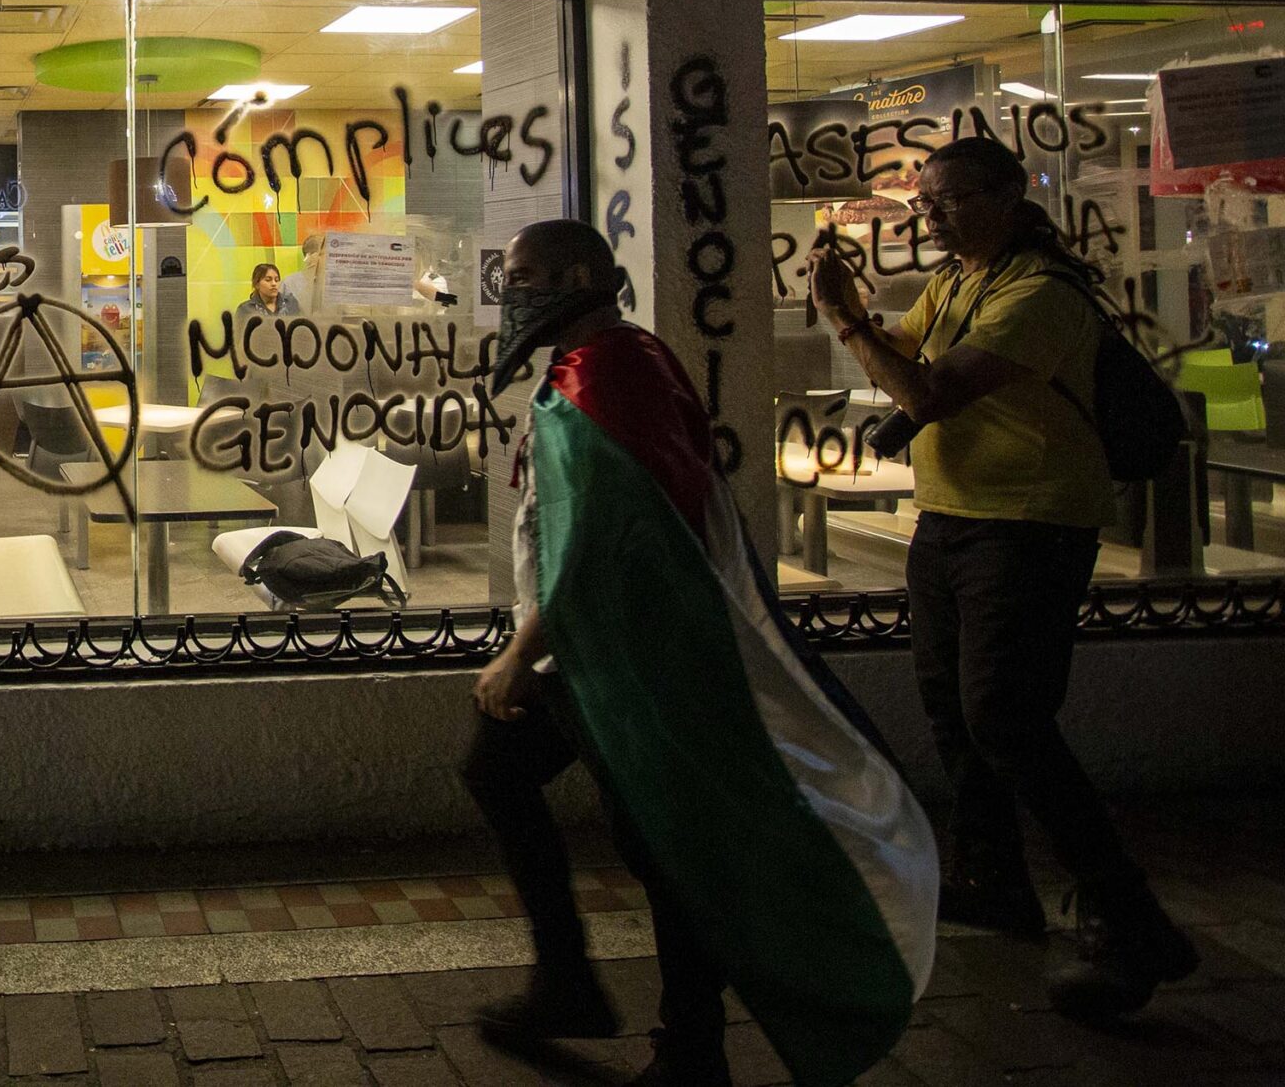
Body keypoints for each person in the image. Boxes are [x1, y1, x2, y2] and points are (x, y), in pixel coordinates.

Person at [469, 219, 934, 1087]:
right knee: (512, 775)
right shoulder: (596, 365)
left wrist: (523, 650)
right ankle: (590, 992)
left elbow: (609, 530)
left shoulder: (612, 369)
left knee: (662, 841)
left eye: (526, 273)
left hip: (631, 657)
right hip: (598, 653)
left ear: (578, 274)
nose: (514, 291)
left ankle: (684, 1044)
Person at [808, 136, 1197, 1020]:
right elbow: (899, 359)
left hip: (1030, 523)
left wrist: (844, 316)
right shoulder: (956, 284)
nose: (933, 218)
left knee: (1007, 716)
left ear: (1011, 195)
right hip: (950, 517)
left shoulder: (1040, 295)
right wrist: (864, 321)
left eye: (949, 201)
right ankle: (992, 876)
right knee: (951, 702)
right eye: (925, 204)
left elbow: (926, 394)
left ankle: (1125, 910)